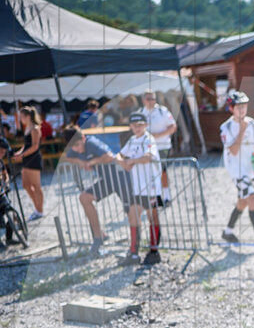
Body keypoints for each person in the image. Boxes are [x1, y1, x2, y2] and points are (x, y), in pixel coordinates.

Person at [61, 125, 132, 256]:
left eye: (77, 145)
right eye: (73, 147)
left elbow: (109, 156)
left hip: (121, 178)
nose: (76, 149)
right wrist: (80, 162)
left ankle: (136, 244)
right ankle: (98, 236)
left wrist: (91, 162)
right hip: (107, 181)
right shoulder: (75, 147)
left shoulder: (91, 143)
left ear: (83, 138)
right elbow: (68, 157)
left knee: (130, 210)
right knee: (84, 198)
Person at [219, 90, 254, 251]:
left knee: (243, 201)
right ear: (231, 108)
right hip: (237, 170)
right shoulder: (225, 127)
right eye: (238, 107)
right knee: (252, 199)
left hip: (251, 167)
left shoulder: (252, 123)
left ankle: (227, 232)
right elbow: (233, 151)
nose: (242, 110)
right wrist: (241, 130)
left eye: (244, 106)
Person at [117, 112, 162, 266]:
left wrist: (132, 161)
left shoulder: (149, 139)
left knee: (152, 216)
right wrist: (124, 163)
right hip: (138, 187)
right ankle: (134, 252)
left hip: (151, 186)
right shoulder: (132, 140)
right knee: (133, 215)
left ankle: (154, 251)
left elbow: (148, 157)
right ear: (130, 126)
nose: (137, 128)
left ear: (146, 125)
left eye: (140, 125)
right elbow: (119, 155)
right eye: (134, 125)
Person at [142, 90, 177, 205]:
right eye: (148, 99)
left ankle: (166, 196)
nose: (151, 101)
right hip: (148, 147)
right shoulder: (141, 113)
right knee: (151, 172)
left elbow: (173, 127)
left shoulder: (163, 111)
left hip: (163, 145)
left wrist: (158, 135)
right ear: (143, 100)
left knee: (162, 171)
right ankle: (156, 196)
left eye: (153, 99)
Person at [15, 106, 45, 221]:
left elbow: (35, 146)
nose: (21, 119)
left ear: (28, 117)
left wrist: (22, 155)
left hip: (33, 159)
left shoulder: (35, 128)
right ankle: (37, 207)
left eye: (22, 117)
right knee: (26, 185)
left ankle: (39, 210)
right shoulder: (27, 128)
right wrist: (19, 153)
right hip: (27, 158)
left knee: (36, 186)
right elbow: (26, 145)